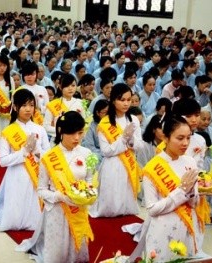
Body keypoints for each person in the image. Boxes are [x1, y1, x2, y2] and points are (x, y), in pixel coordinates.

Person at [17, 111, 95, 262]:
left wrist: (89, 193)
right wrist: (58, 196)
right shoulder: (49, 157)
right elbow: (40, 190)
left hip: (78, 210)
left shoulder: (87, 153)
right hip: (57, 211)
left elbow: (89, 179)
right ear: (60, 131)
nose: (77, 138)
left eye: (80, 133)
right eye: (72, 133)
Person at [0, 88, 50, 231]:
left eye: (31, 105)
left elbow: (48, 156)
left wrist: (37, 151)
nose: (28, 109)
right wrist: (24, 152)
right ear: (15, 107)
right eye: (24, 105)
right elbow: (2, 161)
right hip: (16, 175)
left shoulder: (40, 129)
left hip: (36, 174)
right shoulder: (8, 131)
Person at [141, 116, 204, 261]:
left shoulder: (190, 162)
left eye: (188, 138)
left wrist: (191, 194)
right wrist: (181, 192)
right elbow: (152, 209)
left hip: (187, 227)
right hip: (163, 230)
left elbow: (194, 204)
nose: (185, 143)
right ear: (166, 138)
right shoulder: (152, 167)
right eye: (180, 138)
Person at [90, 83, 143, 217]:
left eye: (128, 100)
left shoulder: (134, 120)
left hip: (129, 163)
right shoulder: (105, 123)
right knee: (110, 206)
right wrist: (123, 139)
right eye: (122, 100)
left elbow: (140, 145)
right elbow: (106, 151)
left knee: (127, 208)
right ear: (113, 100)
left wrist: (131, 141)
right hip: (112, 165)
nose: (126, 103)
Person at [44, 73, 85, 143]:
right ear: (60, 87)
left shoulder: (81, 103)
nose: (70, 88)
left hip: (76, 141)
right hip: (58, 141)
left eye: (73, 85)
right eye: (67, 86)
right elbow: (46, 126)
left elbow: (85, 123)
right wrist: (63, 131)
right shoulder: (52, 105)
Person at [82, 99, 109, 164]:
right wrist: (106, 154)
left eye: (109, 112)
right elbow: (90, 146)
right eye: (105, 112)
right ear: (97, 113)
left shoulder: (115, 124)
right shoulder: (91, 126)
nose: (108, 115)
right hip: (99, 154)